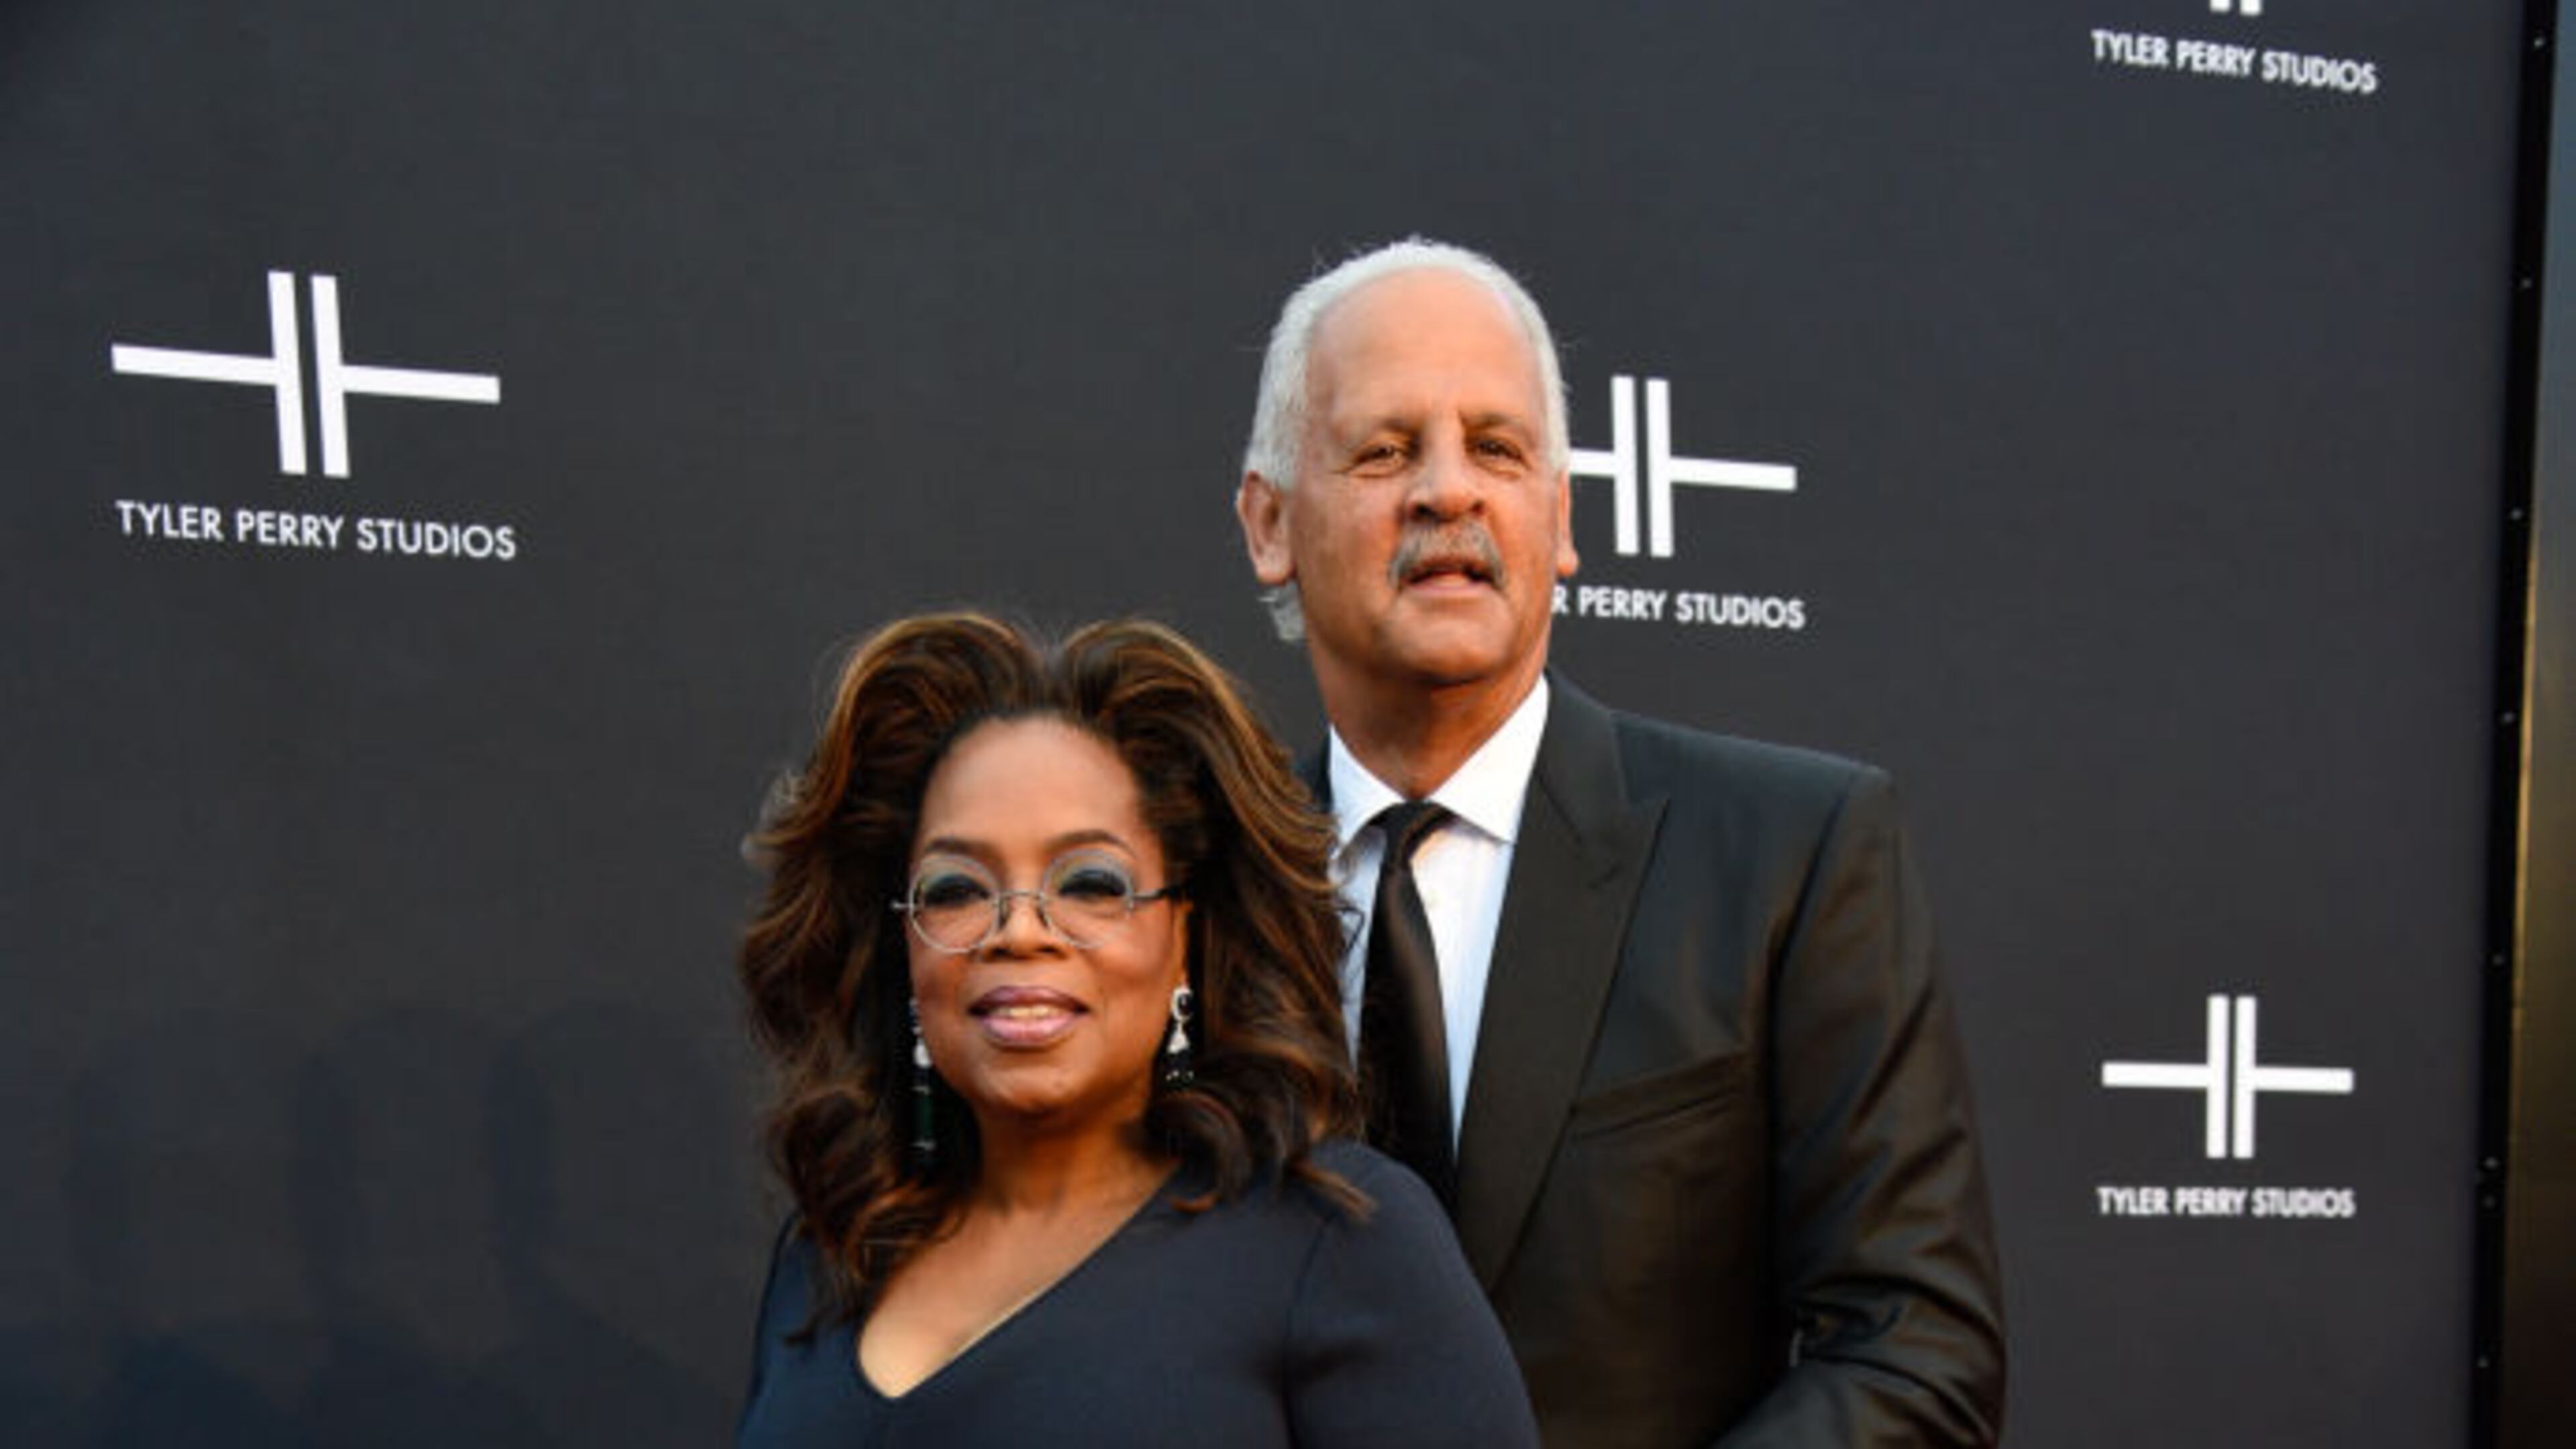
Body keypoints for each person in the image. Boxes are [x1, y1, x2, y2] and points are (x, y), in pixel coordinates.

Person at [1234, 240, 2008, 1447]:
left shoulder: (1792, 857)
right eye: (1386, 450)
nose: (1450, 491)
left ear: (1562, 517)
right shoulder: (1193, 895)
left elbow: (1916, 1350)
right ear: (1270, 523)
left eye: (1497, 447)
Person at [732, 613, 1539, 1447]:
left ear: (1182, 936)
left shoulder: (1331, 1242)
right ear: (904, 943)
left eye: (1088, 881)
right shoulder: (832, 1253)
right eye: (954, 888)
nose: (1018, 930)